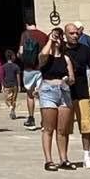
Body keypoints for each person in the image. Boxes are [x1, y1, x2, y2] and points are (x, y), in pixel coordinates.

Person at [64, 21, 90, 168]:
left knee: (86, 125)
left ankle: (87, 156)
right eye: (71, 33)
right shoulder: (61, 49)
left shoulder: (85, 50)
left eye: (77, 33)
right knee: (64, 128)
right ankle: (64, 157)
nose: (75, 35)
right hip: (65, 94)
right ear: (65, 34)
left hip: (82, 92)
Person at [38, 26, 74, 170]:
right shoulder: (45, 57)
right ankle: (48, 160)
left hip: (64, 91)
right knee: (48, 128)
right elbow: (43, 54)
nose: (57, 40)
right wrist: (50, 40)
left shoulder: (66, 58)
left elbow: (72, 78)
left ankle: (64, 159)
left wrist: (67, 80)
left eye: (59, 37)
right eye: (54, 37)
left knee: (62, 129)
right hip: (48, 91)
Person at [18, 17, 48, 128]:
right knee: (42, 96)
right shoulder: (43, 35)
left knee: (30, 95)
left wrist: (20, 57)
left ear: (26, 24)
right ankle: (44, 121)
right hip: (41, 69)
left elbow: (21, 52)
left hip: (29, 69)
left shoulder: (25, 35)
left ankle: (31, 119)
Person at [1, 49, 21, 120]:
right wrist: (19, 86)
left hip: (7, 85)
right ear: (12, 56)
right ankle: (12, 111)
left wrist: (2, 85)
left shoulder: (3, 67)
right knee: (13, 100)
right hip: (14, 85)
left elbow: (2, 77)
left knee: (7, 100)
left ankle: (11, 109)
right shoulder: (16, 66)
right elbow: (18, 77)